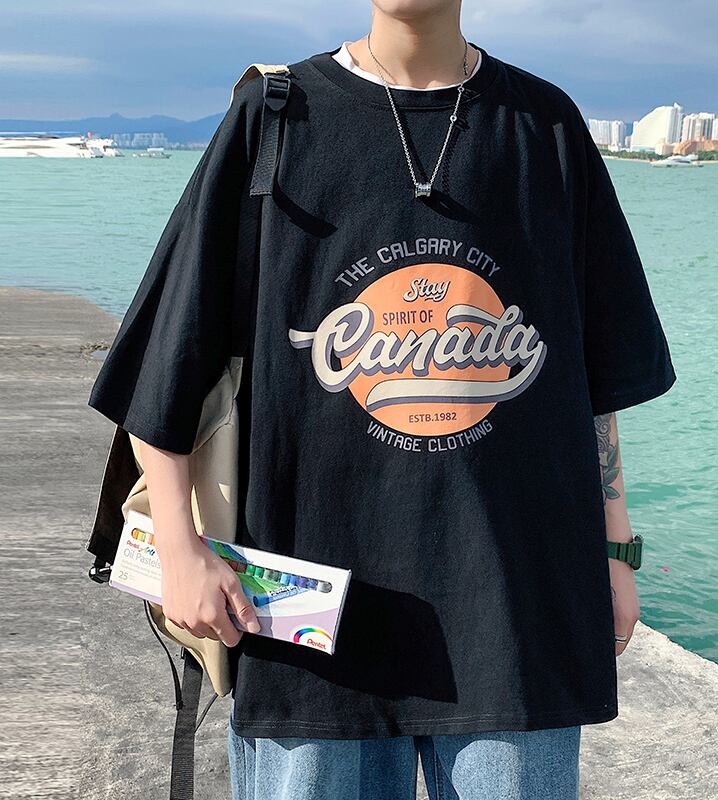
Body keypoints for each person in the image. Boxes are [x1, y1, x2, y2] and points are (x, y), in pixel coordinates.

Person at [87, 1, 677, 798]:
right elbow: (168, 354)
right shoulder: (276, 115)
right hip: (304, 625)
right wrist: (181, 550)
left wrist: (615, 550)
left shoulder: (544, 126)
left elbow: (592, 374)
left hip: (515, 616)